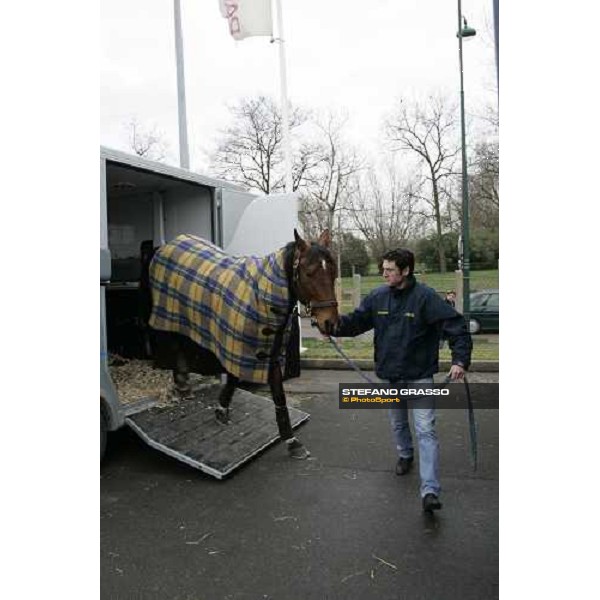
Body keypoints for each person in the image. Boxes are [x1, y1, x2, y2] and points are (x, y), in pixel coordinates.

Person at [332, 248, 472, 513]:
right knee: (398, 424)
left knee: (426, 430)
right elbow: (355, 322)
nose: (383, 273)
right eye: (383, 268)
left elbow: (456, 327)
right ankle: (405, 455)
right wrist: (332, 325)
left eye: (389, 270)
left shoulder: (426, 298)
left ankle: (430, 490)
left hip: (419, 377)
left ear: (405, 271)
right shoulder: (378, 297)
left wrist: (459, 360)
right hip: (391, 377)